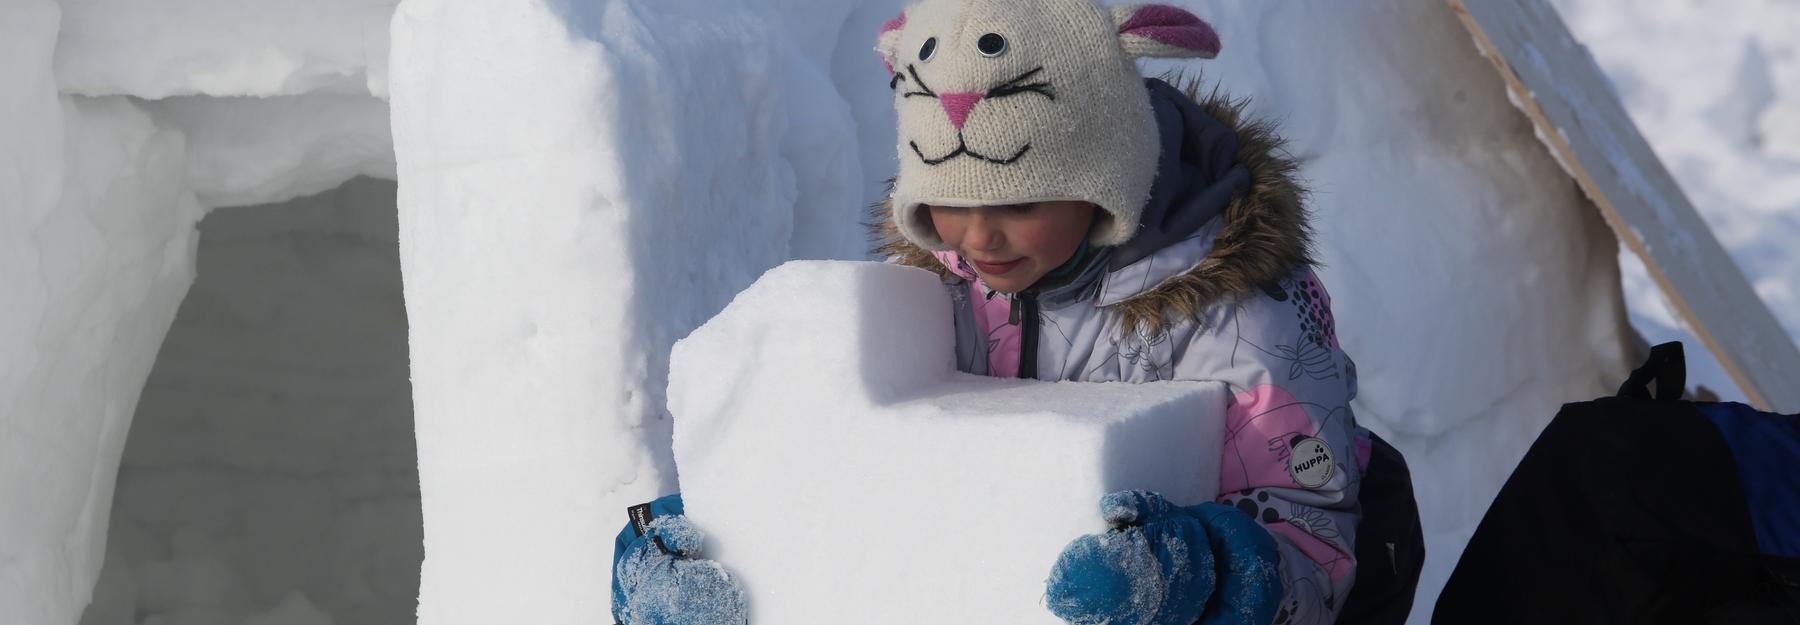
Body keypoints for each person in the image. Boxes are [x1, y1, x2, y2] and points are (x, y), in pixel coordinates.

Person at [612, 2, 1421, 624]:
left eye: (1020, 201)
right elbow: (845, 465)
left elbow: (1317, 547)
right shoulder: (936, 288)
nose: (977, 236)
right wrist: (724, 526)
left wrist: (1201, 571)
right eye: (948, 204)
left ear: (1106, 177)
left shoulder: (1245, 318)